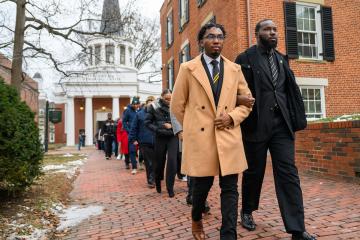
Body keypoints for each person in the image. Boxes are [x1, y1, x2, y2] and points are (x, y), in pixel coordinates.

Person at [234, 19, 315, 240]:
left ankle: (297, 229)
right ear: (257, 33)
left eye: (275, 30)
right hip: (256, 126)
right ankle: (247, 210)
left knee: (289, 174)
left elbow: (287, 91)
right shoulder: (245, 59)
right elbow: (234, 91)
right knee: (254, 172)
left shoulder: (281, 59)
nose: (273, 33)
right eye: (267, 29)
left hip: (282, 126)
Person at [171, 23, 252, 240]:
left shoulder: (235, 69)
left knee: (230, 189)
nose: (216, 40)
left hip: (228, 135)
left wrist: (232, 117)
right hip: (201, 138)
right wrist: (192, 129)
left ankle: (229, 234)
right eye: (210, 36)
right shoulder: (188, 69)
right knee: (201, 188)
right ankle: (196, 218)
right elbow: (177, 105)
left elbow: (247, 103)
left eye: (219, 36)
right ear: (201, 42)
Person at [145, 89, 178, 198]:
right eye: (167, 99)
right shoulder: (154, 106)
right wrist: (159, 128)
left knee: (173, 161)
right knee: (159, 162)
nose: (169, 101)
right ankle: (158, 181)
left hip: (173, 136)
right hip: (160, 136)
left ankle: (170, 187)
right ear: (162, 97)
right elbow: (147, 123)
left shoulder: (177, 104)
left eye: (171, 98)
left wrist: (174, 127)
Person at [129, 96, 156, 188]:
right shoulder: (139, 114)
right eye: (149, 101)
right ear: (146, 103)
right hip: (144, 141)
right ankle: (151, 180)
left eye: (153, 102)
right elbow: (134, 127)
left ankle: (156, 177)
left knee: (157, 161)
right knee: (148, 162)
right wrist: (133, 139)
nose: (151, 103)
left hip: (157, 141)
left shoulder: (157, 113)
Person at [122, 97, 140, 174]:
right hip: (132, 134)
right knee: (132, 151)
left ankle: (142, 163)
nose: (136, 105)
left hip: (140, 133)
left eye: (137, 104)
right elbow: (124, 121)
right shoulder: (128, 111)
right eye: (134, 104)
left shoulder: (140, 110)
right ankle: (134, 167)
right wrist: (128, 131)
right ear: (132, 104)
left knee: (143, 151)